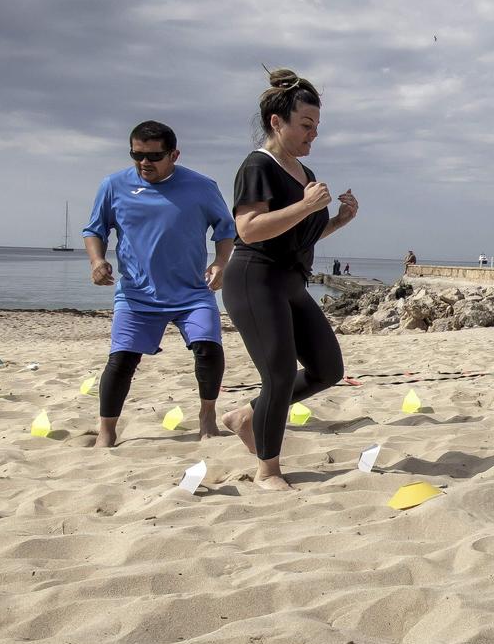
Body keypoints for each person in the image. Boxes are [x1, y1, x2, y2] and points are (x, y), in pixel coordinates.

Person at [220, 69, 359, 491]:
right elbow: (249, 229)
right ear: (277, 122)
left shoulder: (302, 169)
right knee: (279, 374)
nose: (312, 134)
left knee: (328, 369)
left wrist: (337, 220)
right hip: (255, 279)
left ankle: (246, 416)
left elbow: (300, 234)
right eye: (306, 125)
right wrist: (304, 206)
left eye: (316, 126)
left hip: (292, 281)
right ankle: (268, 470)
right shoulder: (257, 166)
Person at [80, 120, 236, 448]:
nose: (144, 163)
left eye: (153, 156)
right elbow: (95, 230)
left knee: (208, 348)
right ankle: (106, 430)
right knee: (121, 360)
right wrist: (97, 261)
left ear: (174, 154)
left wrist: (220, 263)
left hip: (192, 291)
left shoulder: (202, 186)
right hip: (137, 293)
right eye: (136, 155)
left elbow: (226, 230)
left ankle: (207, 416)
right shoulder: (113, 185)